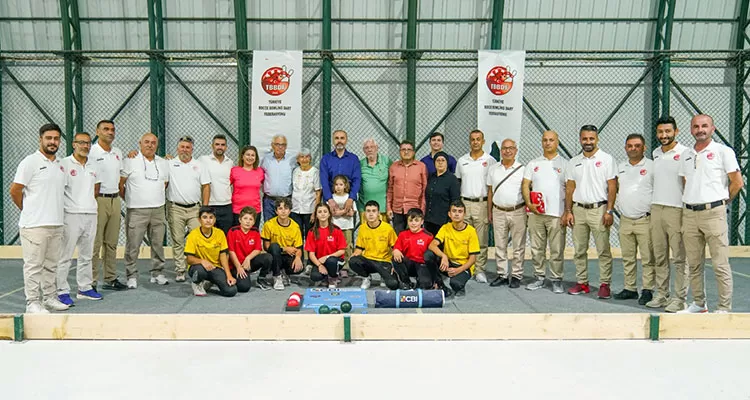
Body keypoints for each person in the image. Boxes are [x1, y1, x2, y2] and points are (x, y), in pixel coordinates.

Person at [678, 114, 743, 313]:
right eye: (696, 126)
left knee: (720, 263)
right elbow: (685, 182)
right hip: (690, 214)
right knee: (694, 263)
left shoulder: (723, 152)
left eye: (704, 126)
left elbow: (737, 182)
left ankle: (724, 307)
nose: (700, 129)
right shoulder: (686, 154)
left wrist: (722, 202)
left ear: (712, 129)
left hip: (713, 213)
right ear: (691, 130)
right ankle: (699, 303)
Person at [9, 123, 70, 313]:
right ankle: (33, 302)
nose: (53, 142)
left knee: (51, 265)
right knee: (34, 265)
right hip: (34, 225)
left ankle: (50, 298)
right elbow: (15, 190)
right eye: (49, 138)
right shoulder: (30, 162)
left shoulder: (60, 165)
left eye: (56, 139)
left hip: (56, 223)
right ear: (40, 139)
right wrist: (27, 210)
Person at [562, 125, 617, 298]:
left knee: (603, 250)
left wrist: (609, 210)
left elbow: (612, 187)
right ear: (580, 139)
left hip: (599, 210)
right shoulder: (574, 162)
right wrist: (568, 211)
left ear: (597, 139)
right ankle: (582, 282)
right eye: (585, 139)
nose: (588, 142)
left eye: (591, 138)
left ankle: (604, 284)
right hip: (578, 210)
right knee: (579, 250)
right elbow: (570, 188)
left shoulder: (607, 159)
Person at [56, 132, 103, 306]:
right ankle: (61, 290)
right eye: (81, 143)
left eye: (88, 143)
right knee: (65, 255)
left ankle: (84, 287)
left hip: (90, 214)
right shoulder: (64, 164)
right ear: (73, 144)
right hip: (71, 215)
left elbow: (95, 189)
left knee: (87, 255)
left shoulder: (94, 165)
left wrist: (88, 205)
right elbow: (59, 191)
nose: (85, 146)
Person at [649, 116, 689, 312]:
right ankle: (661, 295)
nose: (664, 135)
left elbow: (688, 183)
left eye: (667, 132)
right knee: (660, 256)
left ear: (676, 132)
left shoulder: (685, 153)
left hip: (676, 210)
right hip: (657, 209)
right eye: (660, 132)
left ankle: (679, 298)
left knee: (680, 257)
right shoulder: (655, 153)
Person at [119, 132, 170, 289]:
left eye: (153, 142)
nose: (150, 145)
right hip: (136, 210)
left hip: (158, 209)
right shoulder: (130, 161)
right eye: (146, 142)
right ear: (140, 143)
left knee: (157, 244)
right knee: (133, 245)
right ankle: (131, 275)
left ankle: (157, 273)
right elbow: (121, 184)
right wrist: (130, 200)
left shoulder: (163, 162)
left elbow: (165, 184)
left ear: (157, 145)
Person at [522, 131, 567, 294]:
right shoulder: (533, 163)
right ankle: (539, 277)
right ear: (542, 142)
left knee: (556, 249)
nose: (548, 143)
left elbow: (569, 189)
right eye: (545, 140)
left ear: (557, 142)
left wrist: (567, 212)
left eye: (551, 140)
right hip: (536, 214)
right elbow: (526, 185)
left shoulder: (565, 164)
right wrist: (529, 204)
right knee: (536, 248)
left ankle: (556, 279)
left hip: (557, 214)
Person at [614, 134, 656, 305]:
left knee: (647, 258)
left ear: (644, 147)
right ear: (625, 148)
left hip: (644, 219)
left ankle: (647, 289)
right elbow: (615, 189)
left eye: (637, 145)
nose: (633, 148)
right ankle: (630, 288)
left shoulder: (652, 167)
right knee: (628, 257)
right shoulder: (620, 167)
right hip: (625, 219)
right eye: (630, 145)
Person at [90, 119, 128, 291]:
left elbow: (121, 178)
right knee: (95, 243)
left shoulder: (118, 153)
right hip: (98, 200)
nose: (110, 132)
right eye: (106, 129)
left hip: (115, 200)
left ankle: (110, 278)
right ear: (97, 132)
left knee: (111, 243)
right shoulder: (91, 152)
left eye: (112, 129)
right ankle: (90, 281)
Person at [166, 135, 210, 282]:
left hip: (194, 209)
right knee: (178, 240)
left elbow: (206, 186)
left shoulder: (199, 165)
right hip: (175, 208)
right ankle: (180, 270)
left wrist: (204, 208)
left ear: (192, 149)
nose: (185, 149)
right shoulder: (169, 164)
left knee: (197, 239)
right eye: (182, 147)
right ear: (177, 148)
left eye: (188, 147)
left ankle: (197, 268)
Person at [455, 129, 496, 283]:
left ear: (483, 141)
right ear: (469, 141)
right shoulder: (462, 161)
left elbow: (492, 186)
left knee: (481, 240)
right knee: (464, 238)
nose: (475, 142)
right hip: (465, 203)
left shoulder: (490, 161)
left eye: (478, 139)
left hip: (482, 203)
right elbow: (458, 182)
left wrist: (490, 207)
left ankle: (479, 270)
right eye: (473, 139)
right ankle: (465, 268)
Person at [487, 139, 527, 289]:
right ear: (501, 150)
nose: (507, 151)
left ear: (516, 151)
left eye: (511, 148)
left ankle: (516, 275)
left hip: (518, 211)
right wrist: (489, 211)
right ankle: (502, 274)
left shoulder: (523, 169)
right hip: (498, 211)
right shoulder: (493, 169)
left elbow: (528, 191)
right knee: (500, 244)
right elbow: (490, 191)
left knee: (518, 245)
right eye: (504, 148)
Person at [425, 200, 480, 298]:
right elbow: (432, 245)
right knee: (428, 255)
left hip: (463, 266)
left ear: (464, 214)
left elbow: (473, 259)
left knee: (455, 284)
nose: (457, 214)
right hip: (448, 262)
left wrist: (458, 270)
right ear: (449, 214)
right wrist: (444, 256)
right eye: (454, 211)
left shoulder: (471, 231)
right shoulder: (446, 227)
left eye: (460, 211)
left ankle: (460, 284)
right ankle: (440, 284)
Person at [185, 207, 236, 297]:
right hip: (199, 267)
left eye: (211, 217)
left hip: (215, 267)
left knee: (231, 291)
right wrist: (202, 261)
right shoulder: (193, 235)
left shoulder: (220, 233)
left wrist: (228, 275)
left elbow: (223, 256)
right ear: (199, 220)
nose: (208, 220)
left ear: (215, 220)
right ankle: (197, 283)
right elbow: (189, 259)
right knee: (199, 271)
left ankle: (208, 282)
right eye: (205, 217)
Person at [349, 200, 399, 290]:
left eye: (373, 211)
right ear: (364, 213)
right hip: (369, 261)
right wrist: (353, 257)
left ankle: (383, 276)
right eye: (368, 211)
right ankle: (366, 277)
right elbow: (359, 248)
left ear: (378, 213)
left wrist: (395, 265)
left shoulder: (387, 228)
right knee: (353, 261)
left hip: (384, 261)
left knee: (393, 284)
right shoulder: (363, 228)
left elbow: (396, 247)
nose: (371, 214)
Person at [227, 206, 273, 292]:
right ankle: (232, 276)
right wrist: (238, 267)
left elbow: (258, 249)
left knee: (268, 257)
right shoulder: (233, 231)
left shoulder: (255, 232)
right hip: (235, 265)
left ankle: (261, 279)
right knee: (244, 287)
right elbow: (231, 251)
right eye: (245, 218)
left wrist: (248, 258)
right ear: (240, 220)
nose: (248, 221)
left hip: (248, 263)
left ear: (254, 222)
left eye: (251, 219)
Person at [262, 198, 304, 290]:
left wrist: (297, 258)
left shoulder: (295, 226)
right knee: (274, 246)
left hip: (288, 256)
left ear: (290, 211)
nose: (283, 211)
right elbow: (266, 247)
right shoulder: (269, 225)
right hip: (274, 255)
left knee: (299, 267)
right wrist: (284, 249)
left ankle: (285, 273)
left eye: (286, 208)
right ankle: (277, 276)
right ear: (276, 211)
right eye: (280, 208)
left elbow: (299, 248)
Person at [320, 130, 361, 224]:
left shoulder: (353, 159)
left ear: (346, 140)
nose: (339, 141)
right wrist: (330, 200)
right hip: (331, 200)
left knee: (348, 232)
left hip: (348, 200)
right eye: (336, 138)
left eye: (342, 138)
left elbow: (357, 179)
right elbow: (324, 180)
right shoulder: (326, 159)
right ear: (333, 141)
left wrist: (351, 198)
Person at [387, 140, 427, 234]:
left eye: (409, 149)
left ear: (413, 152)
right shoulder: (393, 167)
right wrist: (389, 208)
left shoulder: (421, 167)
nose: (406, 152)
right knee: (399, 238)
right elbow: (390, 189)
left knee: (413, 238)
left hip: (414, 209)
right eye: (403, 149)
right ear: (400, 152)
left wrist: (422, 210)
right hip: (397, 209)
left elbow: (425, 190)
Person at [305, 203, 347, 288]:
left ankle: (333, 278)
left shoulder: (336, 230)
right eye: (320, 212)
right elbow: (311, 254)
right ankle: (326, 276)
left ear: (329, 214)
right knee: (315, 277)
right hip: (320, 261)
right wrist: (319, 265)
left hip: (335, 260)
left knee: (331, 261)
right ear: (316, 215)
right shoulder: (312, 232)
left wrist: (327, 257)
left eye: (325, 211)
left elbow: (342, 250)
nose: (323, 214)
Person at [199, 134, 234, 234]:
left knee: (225, 237)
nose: (220, 147)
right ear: (212, 146)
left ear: (226, 147)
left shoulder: (230, 162)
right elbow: (189, 163)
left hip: (227, 205)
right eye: (217, 144)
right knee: (210, 236)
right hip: (210, 205)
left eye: (222, 145)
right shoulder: (203, 160)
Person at [392, 208, 434, 289]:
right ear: (407, 222)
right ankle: (406, 282)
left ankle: (420, 280)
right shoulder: (403, 234)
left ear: (422, 222)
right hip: (409, 264)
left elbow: (431, 257)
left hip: (422, 264)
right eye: (411, 221)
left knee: (425, 285)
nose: (413, 223)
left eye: (416, 220)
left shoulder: (428, 236)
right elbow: (396, 248)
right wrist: (396, 251)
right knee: (395, 258)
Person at [261, 134, 297, 222]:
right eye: (277, 144)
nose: (280, 147)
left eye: (283, 145)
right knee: (269, 227)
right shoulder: (266, 159)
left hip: (286, 200)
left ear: (286, 146)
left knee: (285, 228)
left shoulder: (292, 160)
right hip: (269, 201)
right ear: (272, 145)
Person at [424, 151, 460, 236]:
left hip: (443, 220)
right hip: (429, 220)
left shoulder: (452, 179)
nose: (440, 162)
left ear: (447, 163)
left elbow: (455, 200)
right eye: (438, 160)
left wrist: (451, 217)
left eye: (443, 160)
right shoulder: (431, 177)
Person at [291, 148, 321, 240]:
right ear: (298, 160)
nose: (304, 159)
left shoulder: (315, 172)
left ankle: (309, 254)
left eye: (307, 157)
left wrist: (314, 212)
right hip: (295, 209)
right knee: (297, 236)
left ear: (310, 159)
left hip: (309, 209)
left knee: (310, 236)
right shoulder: (295, 171)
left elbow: (318, 192)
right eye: (302, 157)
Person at [230, 145, 264, 228]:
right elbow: (226, 186)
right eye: (247, 155)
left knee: (252, 237)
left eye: (253, 155)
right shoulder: (234, 170)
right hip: (238, 210)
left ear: (256, 158)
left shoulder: (260, 171)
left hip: (255, 210)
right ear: (242, 156)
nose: (250, 157)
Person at [358, 138, 390, 222]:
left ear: (377, 148)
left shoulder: (386, 161)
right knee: (367, 233)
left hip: (383, 208)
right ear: (363, 150)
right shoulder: (360, 164)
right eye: (367, 148)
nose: (369, 149)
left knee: (383, 234)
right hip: (365, 208)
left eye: (372, 147)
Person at [331, 175, 356, 263]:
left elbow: (352, 213)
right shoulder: (331, 198)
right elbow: (332, 213)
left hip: (347, 226)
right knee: (336, 245)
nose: (338, 187)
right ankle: (336, 264)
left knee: (347, 245)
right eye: (336, 184)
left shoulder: (349, 197)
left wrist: (340, 212)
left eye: (341, 184)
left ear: (345, 185)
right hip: (335, 226)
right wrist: (345, 211)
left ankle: (347, 264)